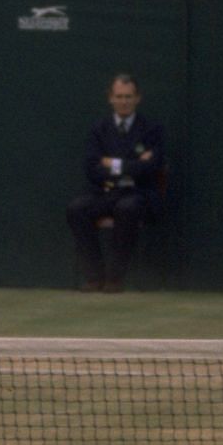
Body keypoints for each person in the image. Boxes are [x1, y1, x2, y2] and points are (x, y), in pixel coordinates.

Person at [65, 75, 164, 293]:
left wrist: (114, 164)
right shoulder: (99, 129)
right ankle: (94, 277)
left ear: (137, 98)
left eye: (128, 97)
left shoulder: (151, 129)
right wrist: (131, 165)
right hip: (104, 192)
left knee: (127, 208)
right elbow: (92, 168)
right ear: (110, 98)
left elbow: (151, 167)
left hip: (138, 193)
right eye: (119, 97)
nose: (124, 101)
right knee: (76, 209)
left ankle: (114, 278)